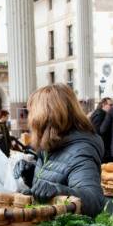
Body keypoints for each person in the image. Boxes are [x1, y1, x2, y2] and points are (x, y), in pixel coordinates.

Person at [13, 84, 105, 217]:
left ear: (45, 117)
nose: (29, 119)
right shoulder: (51, 144)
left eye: (32, 113)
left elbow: (94, 201)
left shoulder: (80, 151)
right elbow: (58, 173)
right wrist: (31, 173)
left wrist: (57, 190)